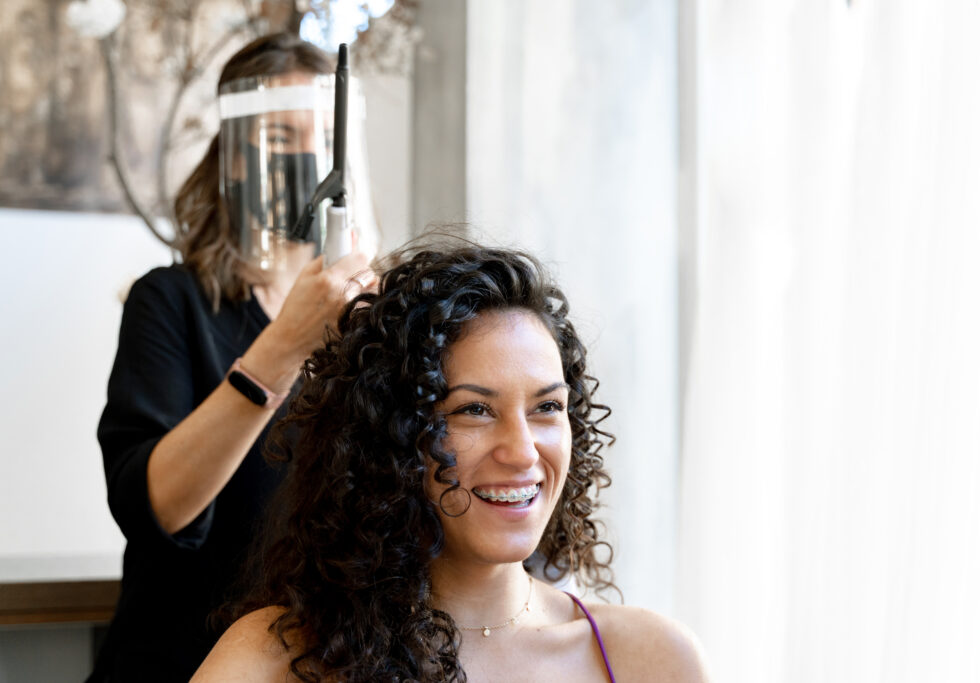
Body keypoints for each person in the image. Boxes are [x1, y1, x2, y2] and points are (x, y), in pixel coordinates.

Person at [191, 245, 708, 682]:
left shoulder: (651, 658)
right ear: (390, 436)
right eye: (474, 410)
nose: (523, 451)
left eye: (547, 407)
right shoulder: (273, 661)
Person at [88, 33, 375, 681]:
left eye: (324, 137)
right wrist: (281, 347)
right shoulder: (172, 302)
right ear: (235, 158)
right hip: (177, 662)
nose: (307, 158)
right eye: (278, 137)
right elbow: (154, 508)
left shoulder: (371, 322)